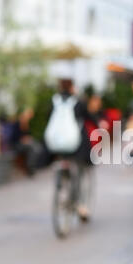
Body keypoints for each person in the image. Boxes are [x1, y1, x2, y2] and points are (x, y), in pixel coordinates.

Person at [47, 79, 102, 222]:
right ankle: (81, 205)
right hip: (76, 146)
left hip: (56, 145)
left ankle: (62, 185)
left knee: (64, 164)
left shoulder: (54, 101)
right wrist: (99, 124)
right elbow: (89, 118)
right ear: (72, 87)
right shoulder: (77, 102)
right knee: (82, 171)